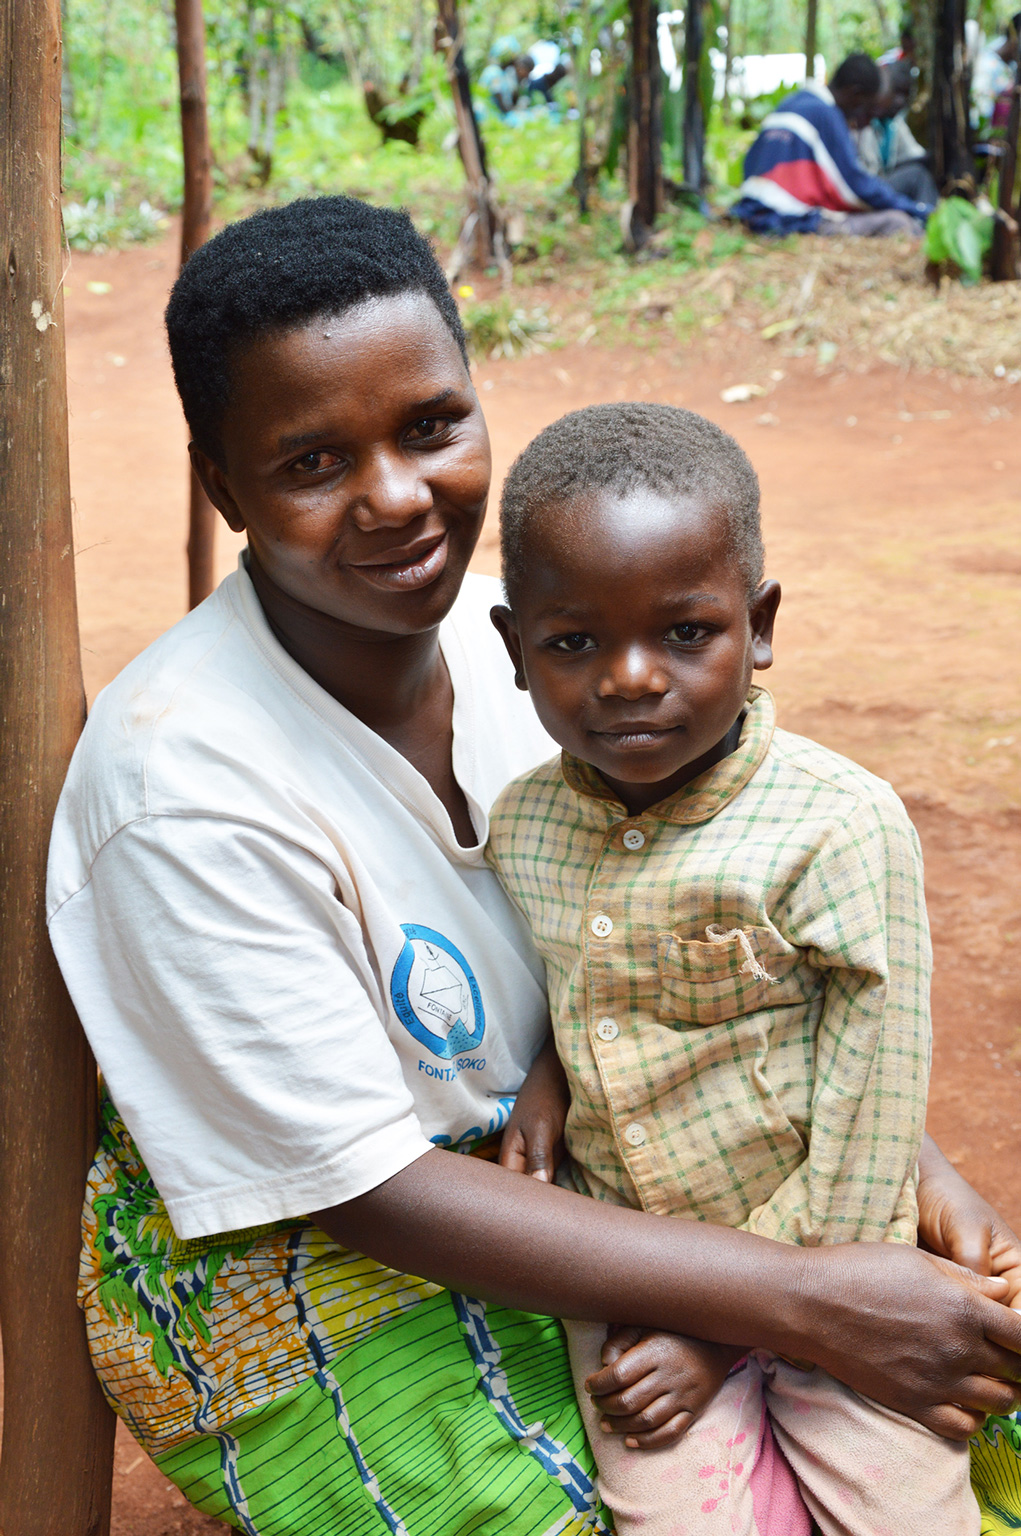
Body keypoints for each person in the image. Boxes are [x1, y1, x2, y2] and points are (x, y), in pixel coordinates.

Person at [46, 195, 1021, 1535]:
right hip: (313, 1257)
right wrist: (802, 1297)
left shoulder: (558, 672)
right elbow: (364, 1184)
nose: (397, 495)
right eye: (314, 460)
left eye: (431, 426)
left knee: (971, 1422)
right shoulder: (180, 787)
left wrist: (910, 1182)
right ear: (223, 487)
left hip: (600, 1161)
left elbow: (694, 957)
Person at [485, 401, 1015, 1534]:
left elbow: (872, 1115)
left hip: (843, 1273)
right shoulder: (525, 826)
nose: (630, 679)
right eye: (573, 642)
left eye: (685, 633)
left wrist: (726, 1326)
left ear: (759, 624)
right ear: (512, 649)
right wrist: (548, 1072)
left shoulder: (838, 827)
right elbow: (582, 978)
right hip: (637, 1287)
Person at [732, 53, 934, 236]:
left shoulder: (792, 101)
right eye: (866, 110)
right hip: (786, 220)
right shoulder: (828, 115)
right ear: (855, 95)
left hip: (752, 208)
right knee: (897, 222)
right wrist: (918, 210)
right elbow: (855, 186)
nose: (862, 120)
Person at [854, 61, 939, 206]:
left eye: (906, 95)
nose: (901, 102)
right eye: (896, 92)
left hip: (880, 185)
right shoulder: (863, 122)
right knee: (917, 176)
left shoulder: (893, 124)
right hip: (864, 189)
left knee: (919, 173)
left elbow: (914, 154)